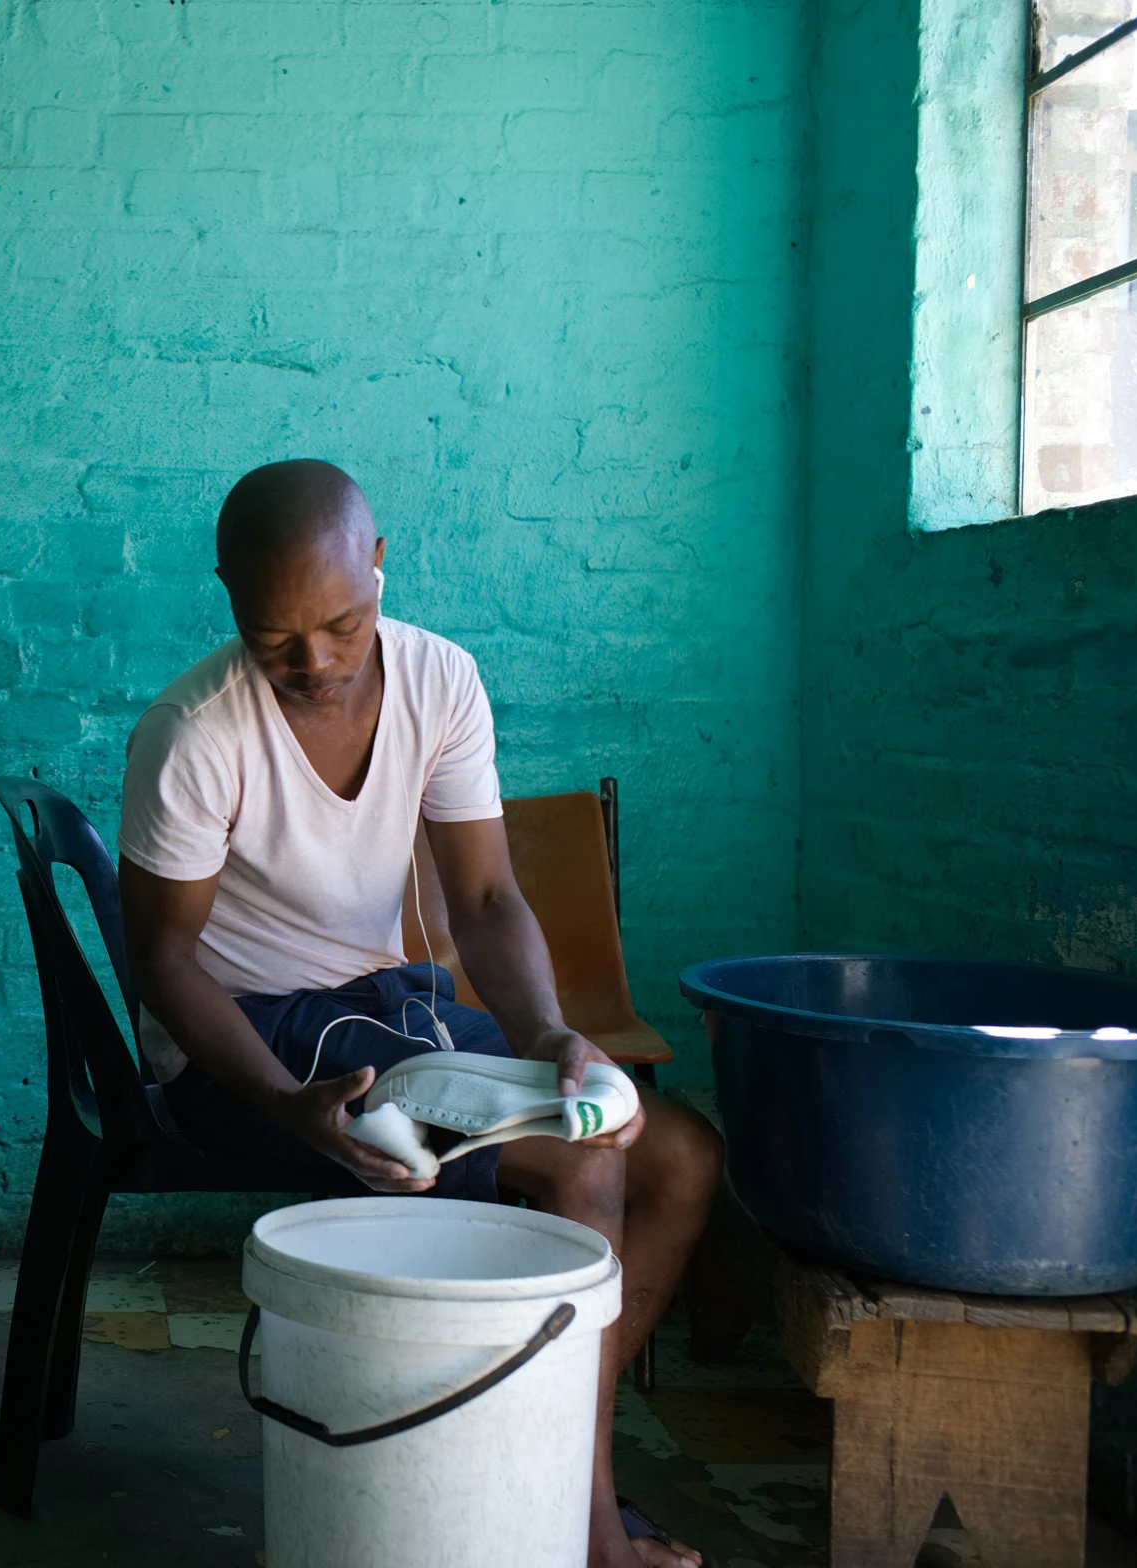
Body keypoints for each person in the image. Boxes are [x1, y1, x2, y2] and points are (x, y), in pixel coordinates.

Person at [117, 459, 723, 1568]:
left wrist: (544, 1029)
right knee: (580, 1165)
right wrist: (285, 1100)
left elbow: (486, 897)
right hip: (248, 1038)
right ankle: (586, 1530)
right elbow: (161, 961)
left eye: (342, 621)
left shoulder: (442, 681)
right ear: (226, 598)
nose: (314, 660)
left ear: (381, 564)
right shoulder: (194, 733)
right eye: (274, 635)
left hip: (391, 1010)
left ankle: (524, 1456)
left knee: (677, 1154)